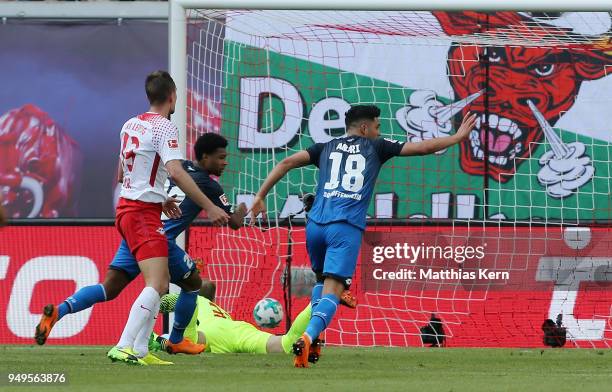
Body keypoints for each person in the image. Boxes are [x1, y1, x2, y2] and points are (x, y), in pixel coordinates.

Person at [250, 105, 477, 367]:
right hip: (344, 229)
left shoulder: (324, 147)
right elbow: (423, 148)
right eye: (378, 126)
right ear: (364, 128)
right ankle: (308, 338)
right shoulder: (377, 147)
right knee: (333, 291)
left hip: (314, 227)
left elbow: (286, 162)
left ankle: (316, 341)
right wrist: (457, 138)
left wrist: (260, 195)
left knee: (322, 283)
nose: (380, 131)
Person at [35, 71, 230, 365]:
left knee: (116, 285)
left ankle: (139, 349)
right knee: (158, 283)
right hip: (141, 215)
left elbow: (121, 173)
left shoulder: (130, 124)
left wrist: (157, 195)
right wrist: (210, 207)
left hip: (130, 210)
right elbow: (176, 171)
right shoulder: (165, 128)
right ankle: (126, 345)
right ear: (172, 96)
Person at [149, 279, 355, 358]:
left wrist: (153, 308)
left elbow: (171, 301)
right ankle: (320, 301)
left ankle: (154, 340)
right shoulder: (217, 308)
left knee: (184, 335)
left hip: (208, 334)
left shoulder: (197, 301)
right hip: (237, 329)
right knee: (285, 343)